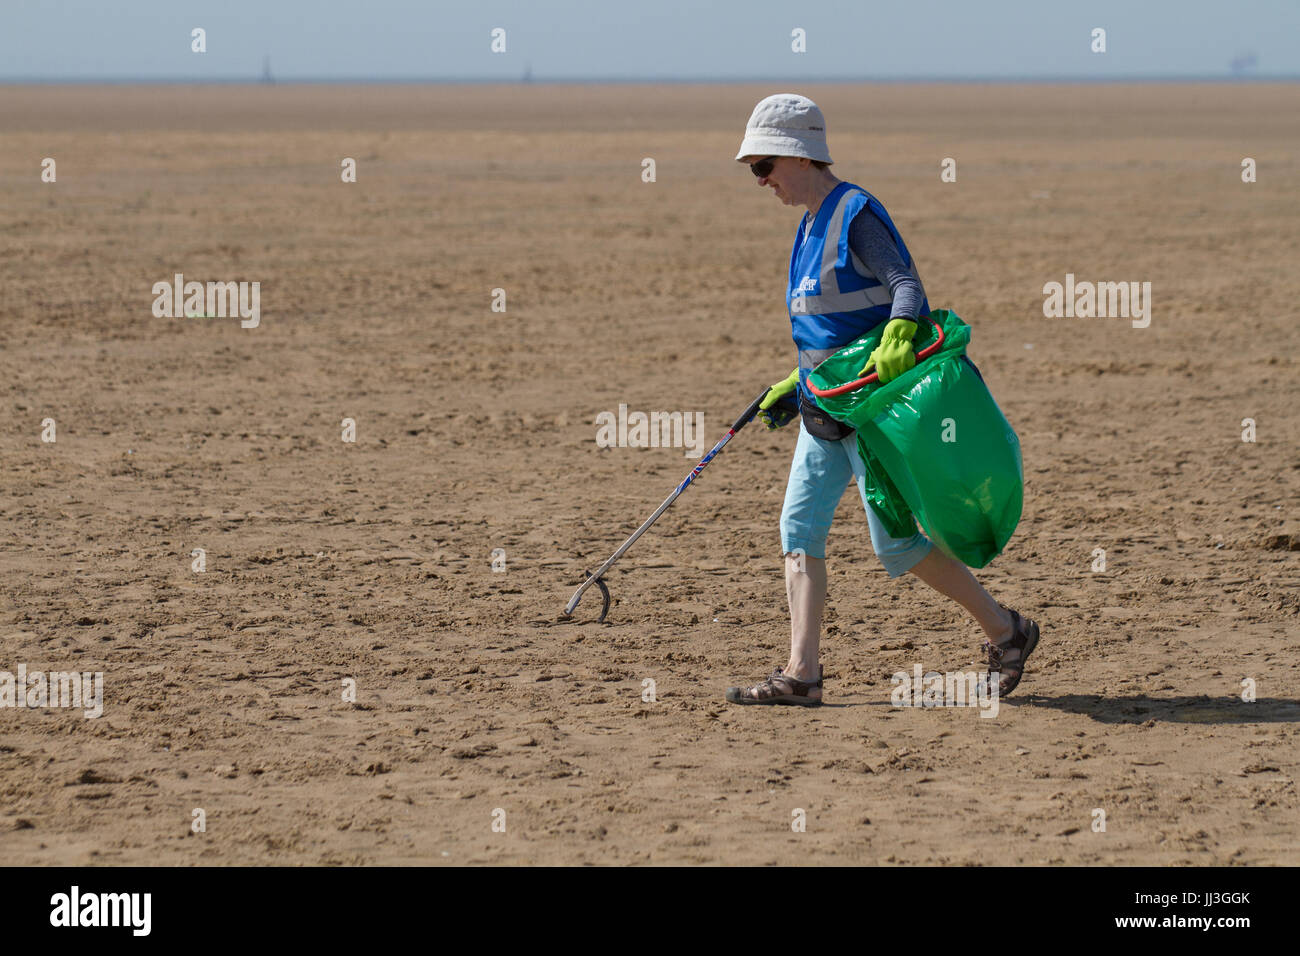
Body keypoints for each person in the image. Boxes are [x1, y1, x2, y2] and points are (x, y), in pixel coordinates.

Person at [724, 93, 1040, 707]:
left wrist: (900, 329)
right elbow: (826, 330)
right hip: (824, 410)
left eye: (764, 167)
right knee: (798, 527)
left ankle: (1007, 631)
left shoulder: (853, 212)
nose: (760, 181)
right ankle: (801, 675)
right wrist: (795, 382)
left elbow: (906, 287)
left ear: (798, 155)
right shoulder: (808, 225)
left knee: (894, 544)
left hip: (871, 416)